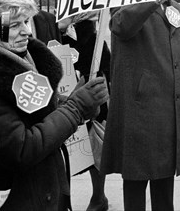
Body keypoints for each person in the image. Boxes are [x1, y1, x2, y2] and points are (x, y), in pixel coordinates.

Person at [0, 0, 108, 211]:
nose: (27, 31)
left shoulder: (28, 60)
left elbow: (42, 116)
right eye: (15, 24)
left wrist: (82, 104)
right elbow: (23, 148)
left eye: (26, 22)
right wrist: (75, 108)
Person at [101, 0, 180, 211]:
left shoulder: (176, 7)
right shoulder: (125, 2)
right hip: (141, 109)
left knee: (164, 178)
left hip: (170, 107)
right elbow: (121, 26)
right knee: (136, 177)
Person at [61, 12, 111, 211]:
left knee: (93, 148)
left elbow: (107, 69)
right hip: (65, 96)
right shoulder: (57, 33)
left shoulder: (95, 40)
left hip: (92, 98)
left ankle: (99, 197)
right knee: (67, 151)